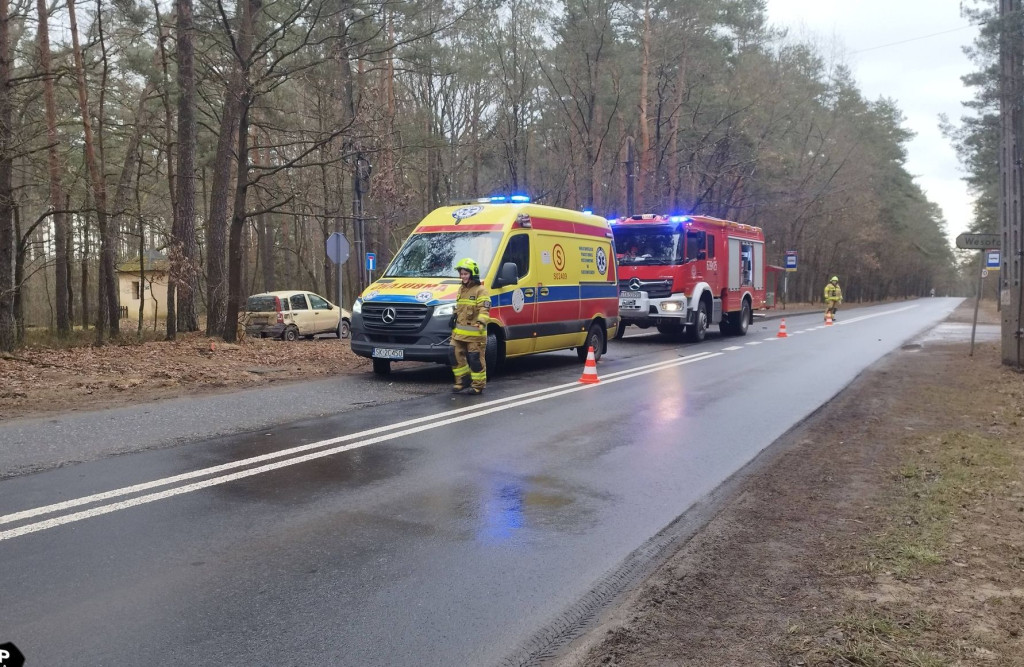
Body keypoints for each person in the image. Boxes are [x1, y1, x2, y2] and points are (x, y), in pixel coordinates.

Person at [450, 257, 490, 395]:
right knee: (453, 354)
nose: (463, 276)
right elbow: (460, 308)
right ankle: (462, 380)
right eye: (461, 274)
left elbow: (484, 309)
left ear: (472, 274)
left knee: (475, 360)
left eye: (465, 274)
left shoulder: (481, 290)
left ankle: (478, 385)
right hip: (459, 332)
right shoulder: (461, 289)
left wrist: (481, 322)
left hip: (475, 334)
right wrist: (453, 317)